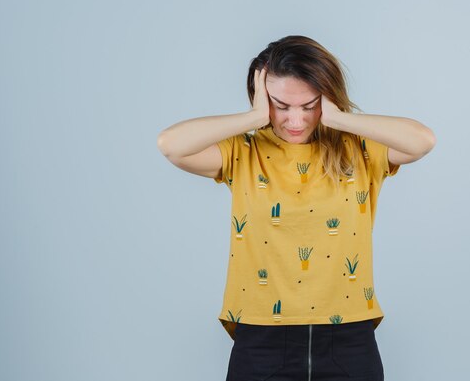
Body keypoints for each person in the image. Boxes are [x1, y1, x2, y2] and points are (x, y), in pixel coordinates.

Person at [157, 35, 436, 381]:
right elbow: (171, 145)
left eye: (309, 106)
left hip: (348, 338)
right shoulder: (244, 151)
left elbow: (423, 140)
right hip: (261, 339)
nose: (295, 121)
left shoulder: (360, 150)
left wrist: (341, 119)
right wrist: (254, 117)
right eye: (281, 105)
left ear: (328, 99)